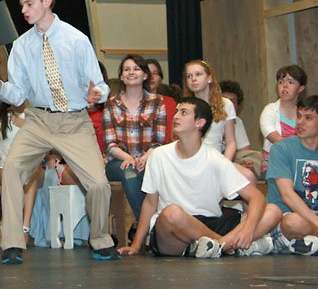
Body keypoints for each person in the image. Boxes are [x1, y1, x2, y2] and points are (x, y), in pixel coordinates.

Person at [0, 0, 114, 264]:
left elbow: (101, 85)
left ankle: (100, 239)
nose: (24, 10)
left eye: (29, 4)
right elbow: (17, 95)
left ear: (47, 1)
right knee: (11, 169)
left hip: (74, 122)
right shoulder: (22, 46)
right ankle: (13, 242)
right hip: (38, 120)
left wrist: (96, 93)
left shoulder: (76, 39)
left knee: (99, 184)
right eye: (22, 5)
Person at [119, 97, 281, 258]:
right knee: (172, 213)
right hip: (173, 232)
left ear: (199, 123)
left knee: (273, 211)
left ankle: (217, 246)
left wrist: (248, 229)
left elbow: (257, 197)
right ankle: (228, 246)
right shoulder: (159, 155)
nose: (175, 116)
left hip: (210, 223)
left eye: (183, 112)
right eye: (176, 112)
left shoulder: (214, 158)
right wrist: (136, 245)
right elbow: (150, 203)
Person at [103, 54, 165, 221]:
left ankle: (144, 230)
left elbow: (159, 142)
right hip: (117, 162)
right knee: (129, 172)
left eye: (136, 69)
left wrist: (144, 158)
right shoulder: (111, 103)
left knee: (144, 172)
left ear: (145, 75)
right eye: (127, 69)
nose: (131, 72)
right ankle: (149, 227)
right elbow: (110, 144)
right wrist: (128, 158)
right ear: (122, 76)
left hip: (148, 159)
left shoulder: (157, 102)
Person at [182, 60, 256, 183]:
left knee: (249, 176)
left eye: (198, 74)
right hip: (191, 159)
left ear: (209, 78)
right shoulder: (183, 106)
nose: (193, 79)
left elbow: (231, 142)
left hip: (217, 158)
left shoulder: (225, 104)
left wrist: (224, 165)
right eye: (189, 76)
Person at [265, 95, 318, 255]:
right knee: (293, 222)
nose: (300, 122)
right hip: (286, 218)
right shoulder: (281, 148)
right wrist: (316, 222)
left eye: (308, 118)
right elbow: (287, 195)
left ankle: (312, 243)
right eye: (299, 116)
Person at [0, 98, 38, 240]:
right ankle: (7, 224)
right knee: (13, 175)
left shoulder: (32, 115)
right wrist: (0, 182)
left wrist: (25, 128)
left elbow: (42, 146)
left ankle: (24, 226)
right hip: (6, 167)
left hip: (29, 166)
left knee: (30, 175)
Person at [260, 65, 307, 175]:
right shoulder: (270, 110)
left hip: (303, 162)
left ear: (301, 88)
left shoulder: (307, 112)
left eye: (290, 82)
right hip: (274, 163)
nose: (285, 86)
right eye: (281, 82)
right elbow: (274, 138)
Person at [220, 79, 262, 178]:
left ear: (238, 105)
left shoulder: (237, 121)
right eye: (225, 100)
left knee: (259, 157)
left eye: (233, 101)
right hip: (215, 158)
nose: (228, 105)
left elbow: (246, 152)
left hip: (234, 159)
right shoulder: (209, 119)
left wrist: (247, 163)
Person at [147, 59, 176, 141]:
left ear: (161, 78)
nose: (151, 77)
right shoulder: (133, 101)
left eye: (155, 73)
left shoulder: (169, 102)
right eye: (148, 73)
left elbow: (173, 133)